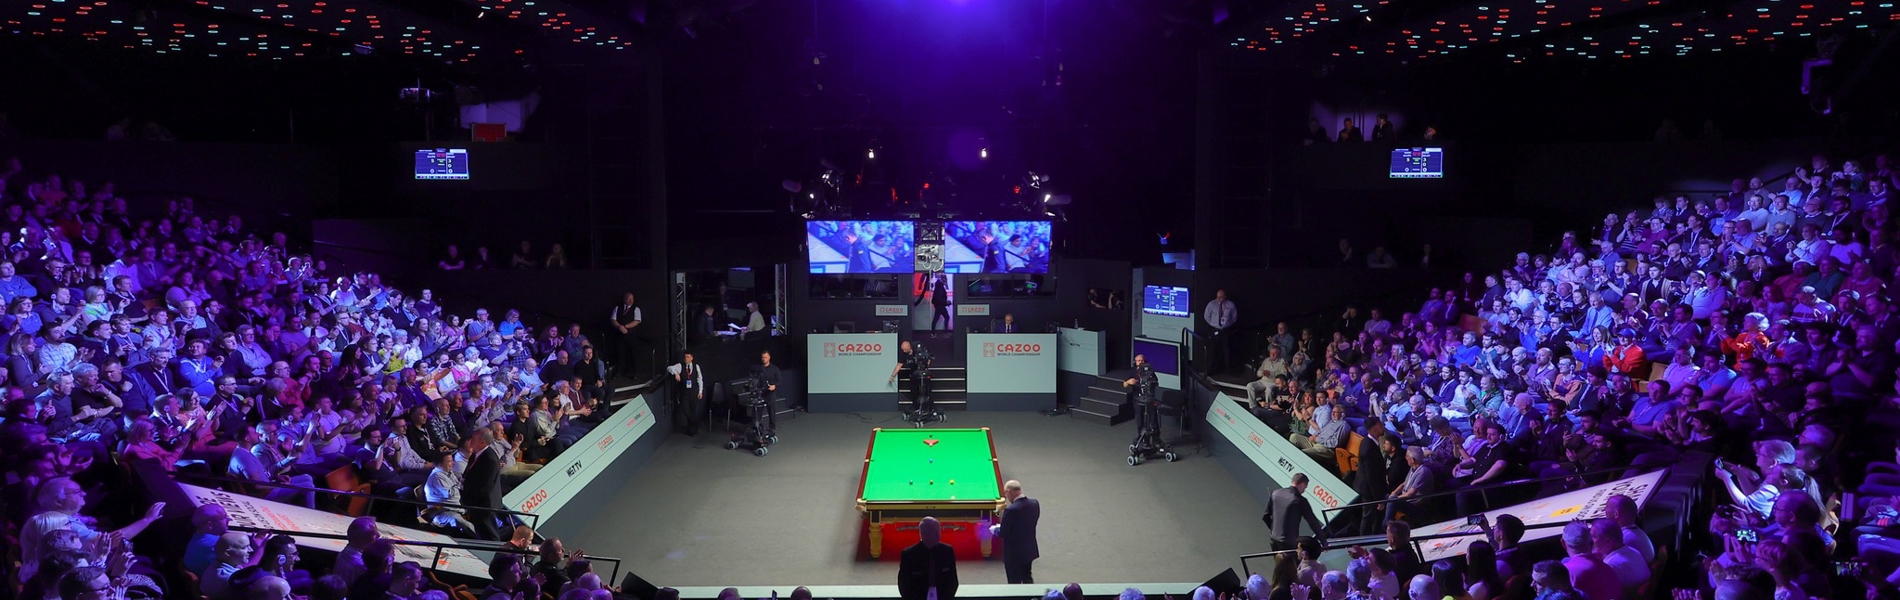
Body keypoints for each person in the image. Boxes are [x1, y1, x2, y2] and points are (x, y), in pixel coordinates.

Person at [992, 480, 1041, 584]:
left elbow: (1003, 532)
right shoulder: (1034, 503)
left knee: (1014, 582)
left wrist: (995, 530)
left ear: (1009, 492)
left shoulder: (1011, 510)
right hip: (1029, 549)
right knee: (1027, 577)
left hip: (1013, 553)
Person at [898, 517, 958, 600]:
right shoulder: (909, 555)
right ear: (923, 534)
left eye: (939, 532)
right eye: (935, 532)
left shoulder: (947, 551)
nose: (939, 535)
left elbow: (953, 581)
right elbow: (904, 585)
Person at [1263, 473, 1325, 551]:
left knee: (1278, 559)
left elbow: (1265, 516)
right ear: (1302, 484)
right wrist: (1324, 542)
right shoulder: (1300, 500)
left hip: (1274, 540)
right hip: (1288, 543)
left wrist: (1274, 531)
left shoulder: (1275, 493)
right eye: (1305, 488)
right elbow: (1313, 522)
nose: (1304, 491)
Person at [665, 352, 706, 435]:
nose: (686, 358)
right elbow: (669, 368)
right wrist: (676, 373)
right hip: (684, 393)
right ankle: (696, 424)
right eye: (685, 357)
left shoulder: (696, 366)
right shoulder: (680, 366)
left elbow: (700, 379)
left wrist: (700, 391)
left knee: (692, 411)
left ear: (691, 358)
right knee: (686, 411)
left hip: (693, 393)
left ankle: (691, 430)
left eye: (688, 357)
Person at [608, 293, 645, 378]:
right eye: (628, 299)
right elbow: (613, 320)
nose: (630, 300)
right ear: (624, 299)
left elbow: (636, 321)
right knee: (620, 354)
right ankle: (619, 371)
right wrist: (619, 327)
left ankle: (634, 372)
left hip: (632, 336)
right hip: (620, 336)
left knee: (633, 354)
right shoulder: (617, 308)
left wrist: (625, 327)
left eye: (632, 299)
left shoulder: (636, 309)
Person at [1205, 289, 1237, 375]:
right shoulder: (1211, 304)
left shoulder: (1230, 305)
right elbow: (1206, 316)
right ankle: (1211, 370)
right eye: (1217, 297)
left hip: (1226, 330)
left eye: (1221, 297)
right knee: (1213, 350)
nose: (1218, 299)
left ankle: (1229, 371)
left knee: (1227, 350)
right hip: (1215, 330)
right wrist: (1214, 324)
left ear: (1225, 296)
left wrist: (1227, 325)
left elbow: (1234, 317)